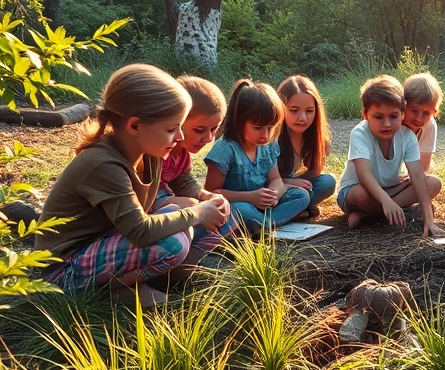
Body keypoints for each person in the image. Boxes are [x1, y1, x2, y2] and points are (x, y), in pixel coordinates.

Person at [36, 64, 233, 307]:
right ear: (135, 126)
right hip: (65, 270)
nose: (180, 137)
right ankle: (111, 292)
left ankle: (159, 278)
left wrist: (206, 201)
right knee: (173, 243)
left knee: (215, 220)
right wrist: (198, 212)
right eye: (172, 129)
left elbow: (182, 184)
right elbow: (139, 230)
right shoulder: (104, 164)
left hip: (108, 243)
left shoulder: (150, 152)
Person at [337, 75, 444, 237]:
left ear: (401, 114)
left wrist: (428, 215)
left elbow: (417, 173)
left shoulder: (406, 136)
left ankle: (370, 215)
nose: (386, 123)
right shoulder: (360, 133)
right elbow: (364, 175)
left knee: (434, 183)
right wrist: (386, 200)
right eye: (378, 117)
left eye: (393, 116)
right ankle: (393, 208)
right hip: (358, 190)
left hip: (390, 188)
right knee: (360, 194)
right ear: (365, 115)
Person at [204, 79, 311, 235]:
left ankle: (262, 225)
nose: (266, 135)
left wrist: (274, 194)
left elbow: (276, 180)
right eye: (258, 128)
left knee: (301, 195)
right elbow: (211, 192)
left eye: (271, 127)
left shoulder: (269, 144)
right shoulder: (225, 149)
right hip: (238, 204)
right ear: (239, 121)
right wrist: (250, 197)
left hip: (262, 205)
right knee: (242, 210)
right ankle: (266, 223)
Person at [156, 76, 229, 209]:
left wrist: (204, 196)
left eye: (214, 129)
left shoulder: (182, 155)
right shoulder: (154, 152)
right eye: (199, 130)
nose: (208, 138)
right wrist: (175, 201)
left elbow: (183, 182)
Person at [276, 75, 337, 219]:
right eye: (294, 110)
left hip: (298, 189)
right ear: (281, 107)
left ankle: (297, 209)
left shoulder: (317, 138)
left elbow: (314, 175)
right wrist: (288, 182)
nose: (302, 117)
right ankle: (296, 210)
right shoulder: (272, 138)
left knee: (328, 182)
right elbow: (260, 179)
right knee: (301, 195)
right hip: (276, 188)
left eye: (309, 111)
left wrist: (301, 183)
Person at [401, 72, 442, 174]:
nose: (419, 118)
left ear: (434, 113)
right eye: (414, 110)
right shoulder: (394, 120)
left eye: (426, 113)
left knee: (434, 182)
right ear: (403, 105)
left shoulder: (430, 125)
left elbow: (423, 167)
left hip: (412, 172)